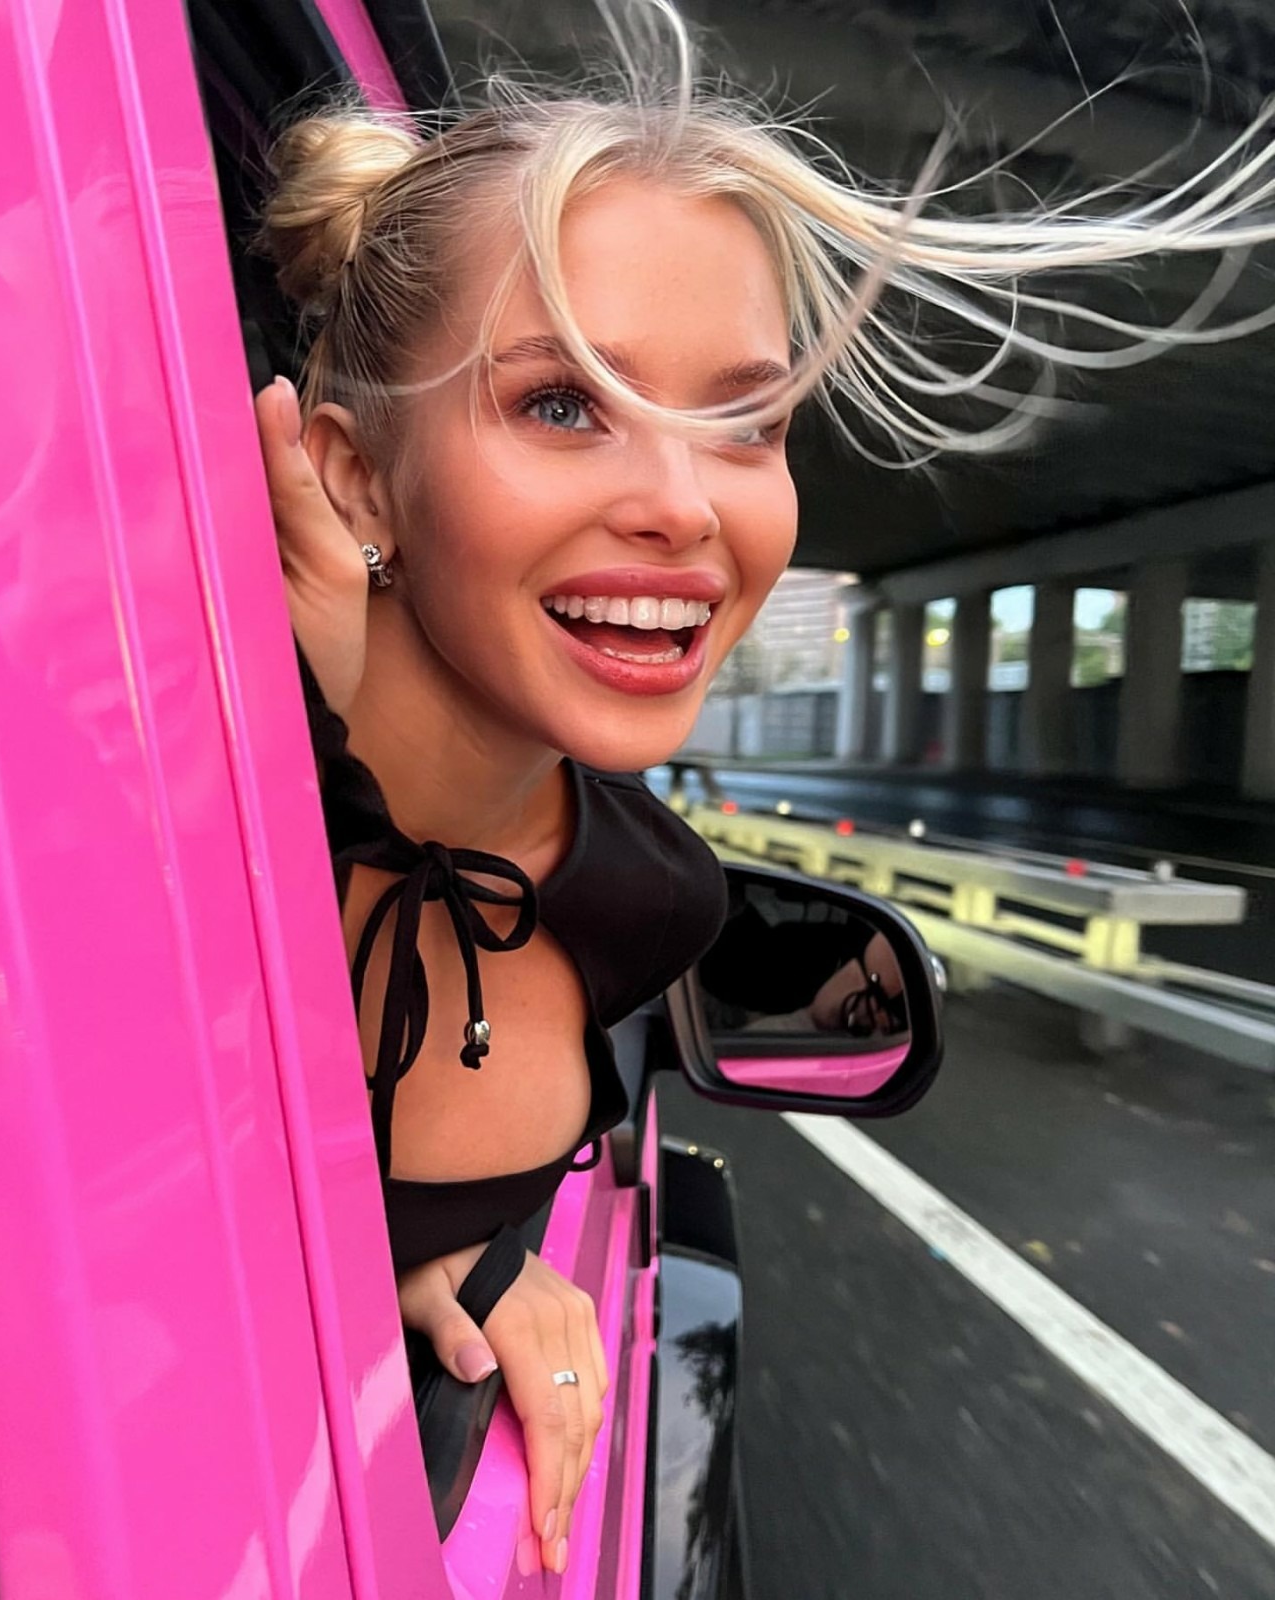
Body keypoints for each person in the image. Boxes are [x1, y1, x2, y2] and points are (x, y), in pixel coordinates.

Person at [250, 0, 1275, 1571]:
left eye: (741, 422)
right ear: (351, 472)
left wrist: (450, 1258)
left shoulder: (646, 901)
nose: (682, 506)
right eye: (562, 403)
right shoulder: (119, 825)